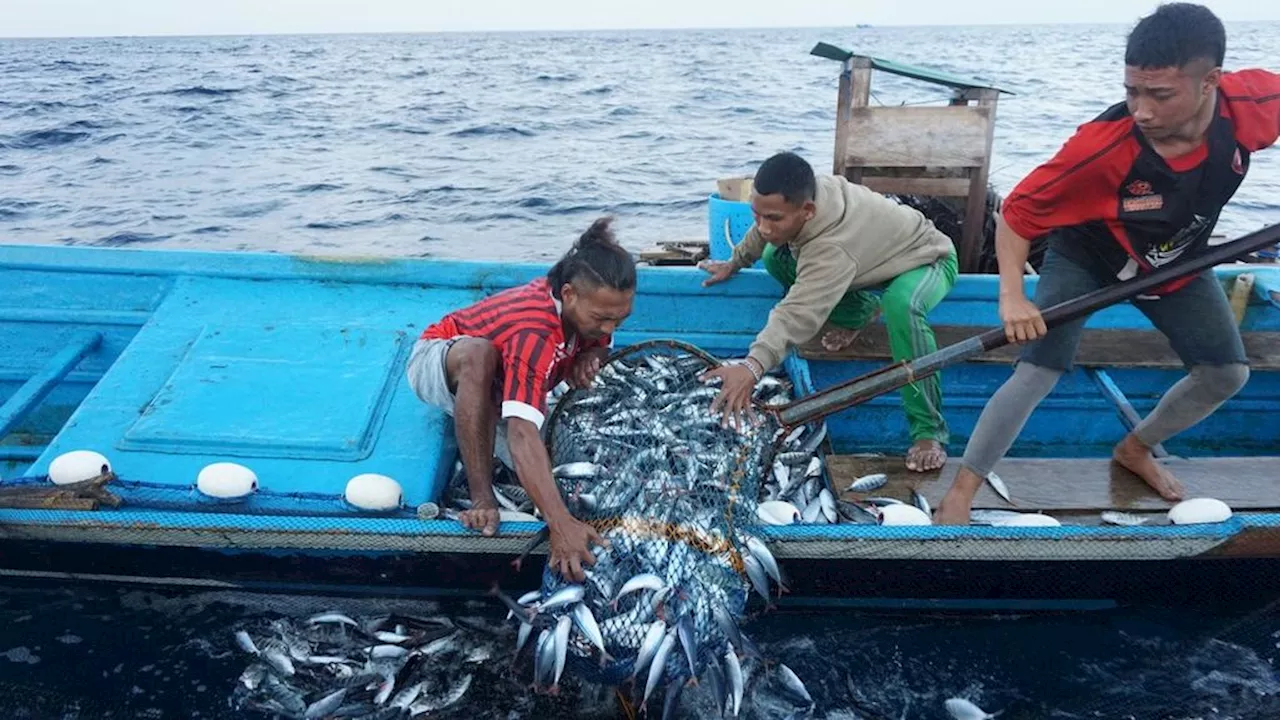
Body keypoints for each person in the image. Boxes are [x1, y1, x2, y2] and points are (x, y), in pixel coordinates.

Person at [934, 3, 1280, 524]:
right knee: (1038, 369)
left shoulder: (1254, 102)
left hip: (1174, 259)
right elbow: (1019, 215)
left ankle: (1135, 448)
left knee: (1226, 373)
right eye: (1130, 91)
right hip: (1088, 256)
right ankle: (961, 492)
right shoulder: (1101, 149)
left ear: (1211, 82)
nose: (1140, 110)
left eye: (1159, 95)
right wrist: (1012, 296)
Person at [699, 151, 959, 472]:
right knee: (774, 257)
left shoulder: (831, 248)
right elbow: (765, 226)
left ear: (807, 211)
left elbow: (798, 311)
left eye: (775, 219)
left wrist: (753, 366)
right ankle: (859, 311)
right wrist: (734, 262)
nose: (764, 227)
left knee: (901, 306)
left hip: (927, 259)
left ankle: (928, 431)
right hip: (866, 260)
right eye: (757, 215)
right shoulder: (805, 195)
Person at [406, 216, 636, 580]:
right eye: (602, 319)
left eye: (619, 321)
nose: (609, 328)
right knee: (480, 355)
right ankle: (482, 497)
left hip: (507, 384)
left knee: (571, 470)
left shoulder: (587, 311)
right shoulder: (534, 329)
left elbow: (601, 342)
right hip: (441, 360)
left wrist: (591, 355)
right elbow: (521, 434)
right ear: (568, 295)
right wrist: (559, 525)